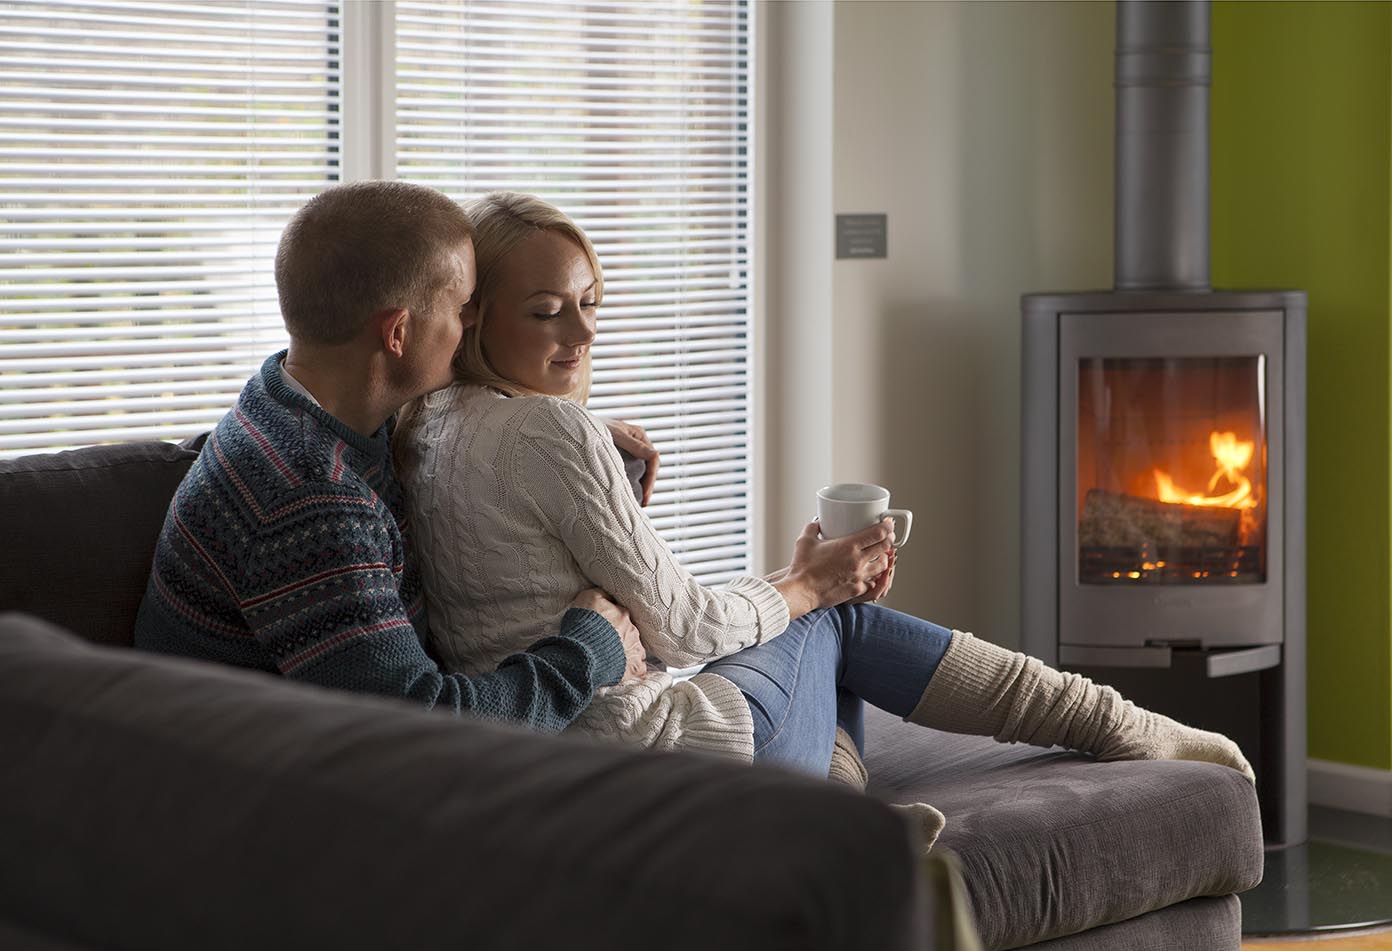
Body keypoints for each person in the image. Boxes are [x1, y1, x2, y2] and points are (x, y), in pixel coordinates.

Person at [395, 190, 1255, 845]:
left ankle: (847, 839)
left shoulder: (428, 420)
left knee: (821, 608)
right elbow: (688, 628)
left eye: (591, 303)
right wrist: (806, 584)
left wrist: (792, 579)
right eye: (546, 312)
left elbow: (526, 501)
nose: (581, 333)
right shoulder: (549, 432)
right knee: (838, 615)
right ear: (476, 319)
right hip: (651, 769)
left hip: (552, 763)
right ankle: (1122, 724)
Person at [134, 180, 651, 729]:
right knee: (751, 673)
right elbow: (424, 733)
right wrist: (591, 646)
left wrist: (581, 441)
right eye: (460, 306)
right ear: (398, 334)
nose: (472, 322)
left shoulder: (291, 403)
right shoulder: (309, 501)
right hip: (285, 791)